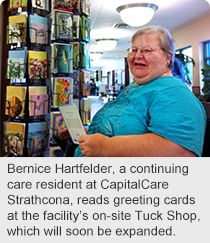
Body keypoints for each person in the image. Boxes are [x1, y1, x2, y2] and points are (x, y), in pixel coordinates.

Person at [59, 26, 206, 157]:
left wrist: (105, 147)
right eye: (134, 50)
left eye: (147, 50)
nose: (137, 56)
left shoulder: (174, 93)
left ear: (167, 57)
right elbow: (128, 125)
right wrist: (91, 132)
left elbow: (180, 152)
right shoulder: (134, 87)